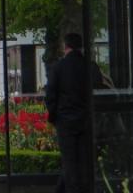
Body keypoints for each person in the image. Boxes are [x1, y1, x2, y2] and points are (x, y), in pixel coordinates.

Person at [46, 33, 91, 193]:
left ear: (66, 46)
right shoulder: (89, 65)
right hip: (86, 120)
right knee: (84, 159)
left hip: (65, 121)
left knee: (70, 160)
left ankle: (71, 189)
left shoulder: (58, 67)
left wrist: (52, 117)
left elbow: (51, 94)